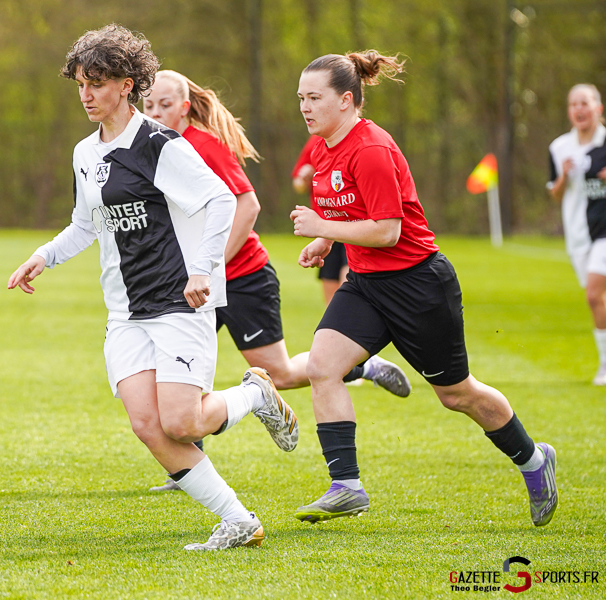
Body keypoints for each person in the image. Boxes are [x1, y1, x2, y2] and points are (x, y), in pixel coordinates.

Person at [8, 24, 299, 551]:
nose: (86, 95)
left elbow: (222, 200)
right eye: (79, 84)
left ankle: (254, 394)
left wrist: (204, 269)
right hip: (124, 311)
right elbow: (84, 222)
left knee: (183, 421)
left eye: (96, 83)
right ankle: (238, 520)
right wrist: (42, 257)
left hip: (177, 301)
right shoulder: (84, 153)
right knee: (149, 425)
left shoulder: (159, 144)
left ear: (126, 83)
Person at [290, 51, 557, 527]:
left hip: (418, 285)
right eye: (301, 98)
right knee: (323, 367)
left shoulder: (370, 147)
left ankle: (533, 459)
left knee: (456, 395)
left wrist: (324, 224)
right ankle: (346, 485)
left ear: (347, 100)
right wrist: (323, 239)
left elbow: (388, 230)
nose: (305, 107)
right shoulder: (323, 148)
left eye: (315, 97)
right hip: (367, 284)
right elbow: (354, 213)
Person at [141, 69, 412, 492]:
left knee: (280, 374)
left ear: (185, 106)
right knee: (170, 372)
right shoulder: (156, 147)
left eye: (164, 104)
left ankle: (358, 365)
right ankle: (190, 469)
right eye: (148, 105)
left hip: (242, 277)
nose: (155, 112)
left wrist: (209, 266)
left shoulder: (204, 146)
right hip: (193, 285)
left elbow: (248, 205)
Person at [547, 84, 606, 385]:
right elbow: (555, 195)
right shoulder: (559, 148)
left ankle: (605, 368)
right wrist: (562, 179)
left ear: (599, 108)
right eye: (573, 104)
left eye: (585, 103)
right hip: (578, 235)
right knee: (599, 298)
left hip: (604, 233)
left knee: (594, 294)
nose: (579, 109)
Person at [292, 135, 348, 305]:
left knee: (349, 285)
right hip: (326, 226)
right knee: (331, 299)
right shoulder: (316, 141)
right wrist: (303, 178)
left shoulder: (357, 141)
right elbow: (298, 184)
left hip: (353, 225)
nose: (307, 109)